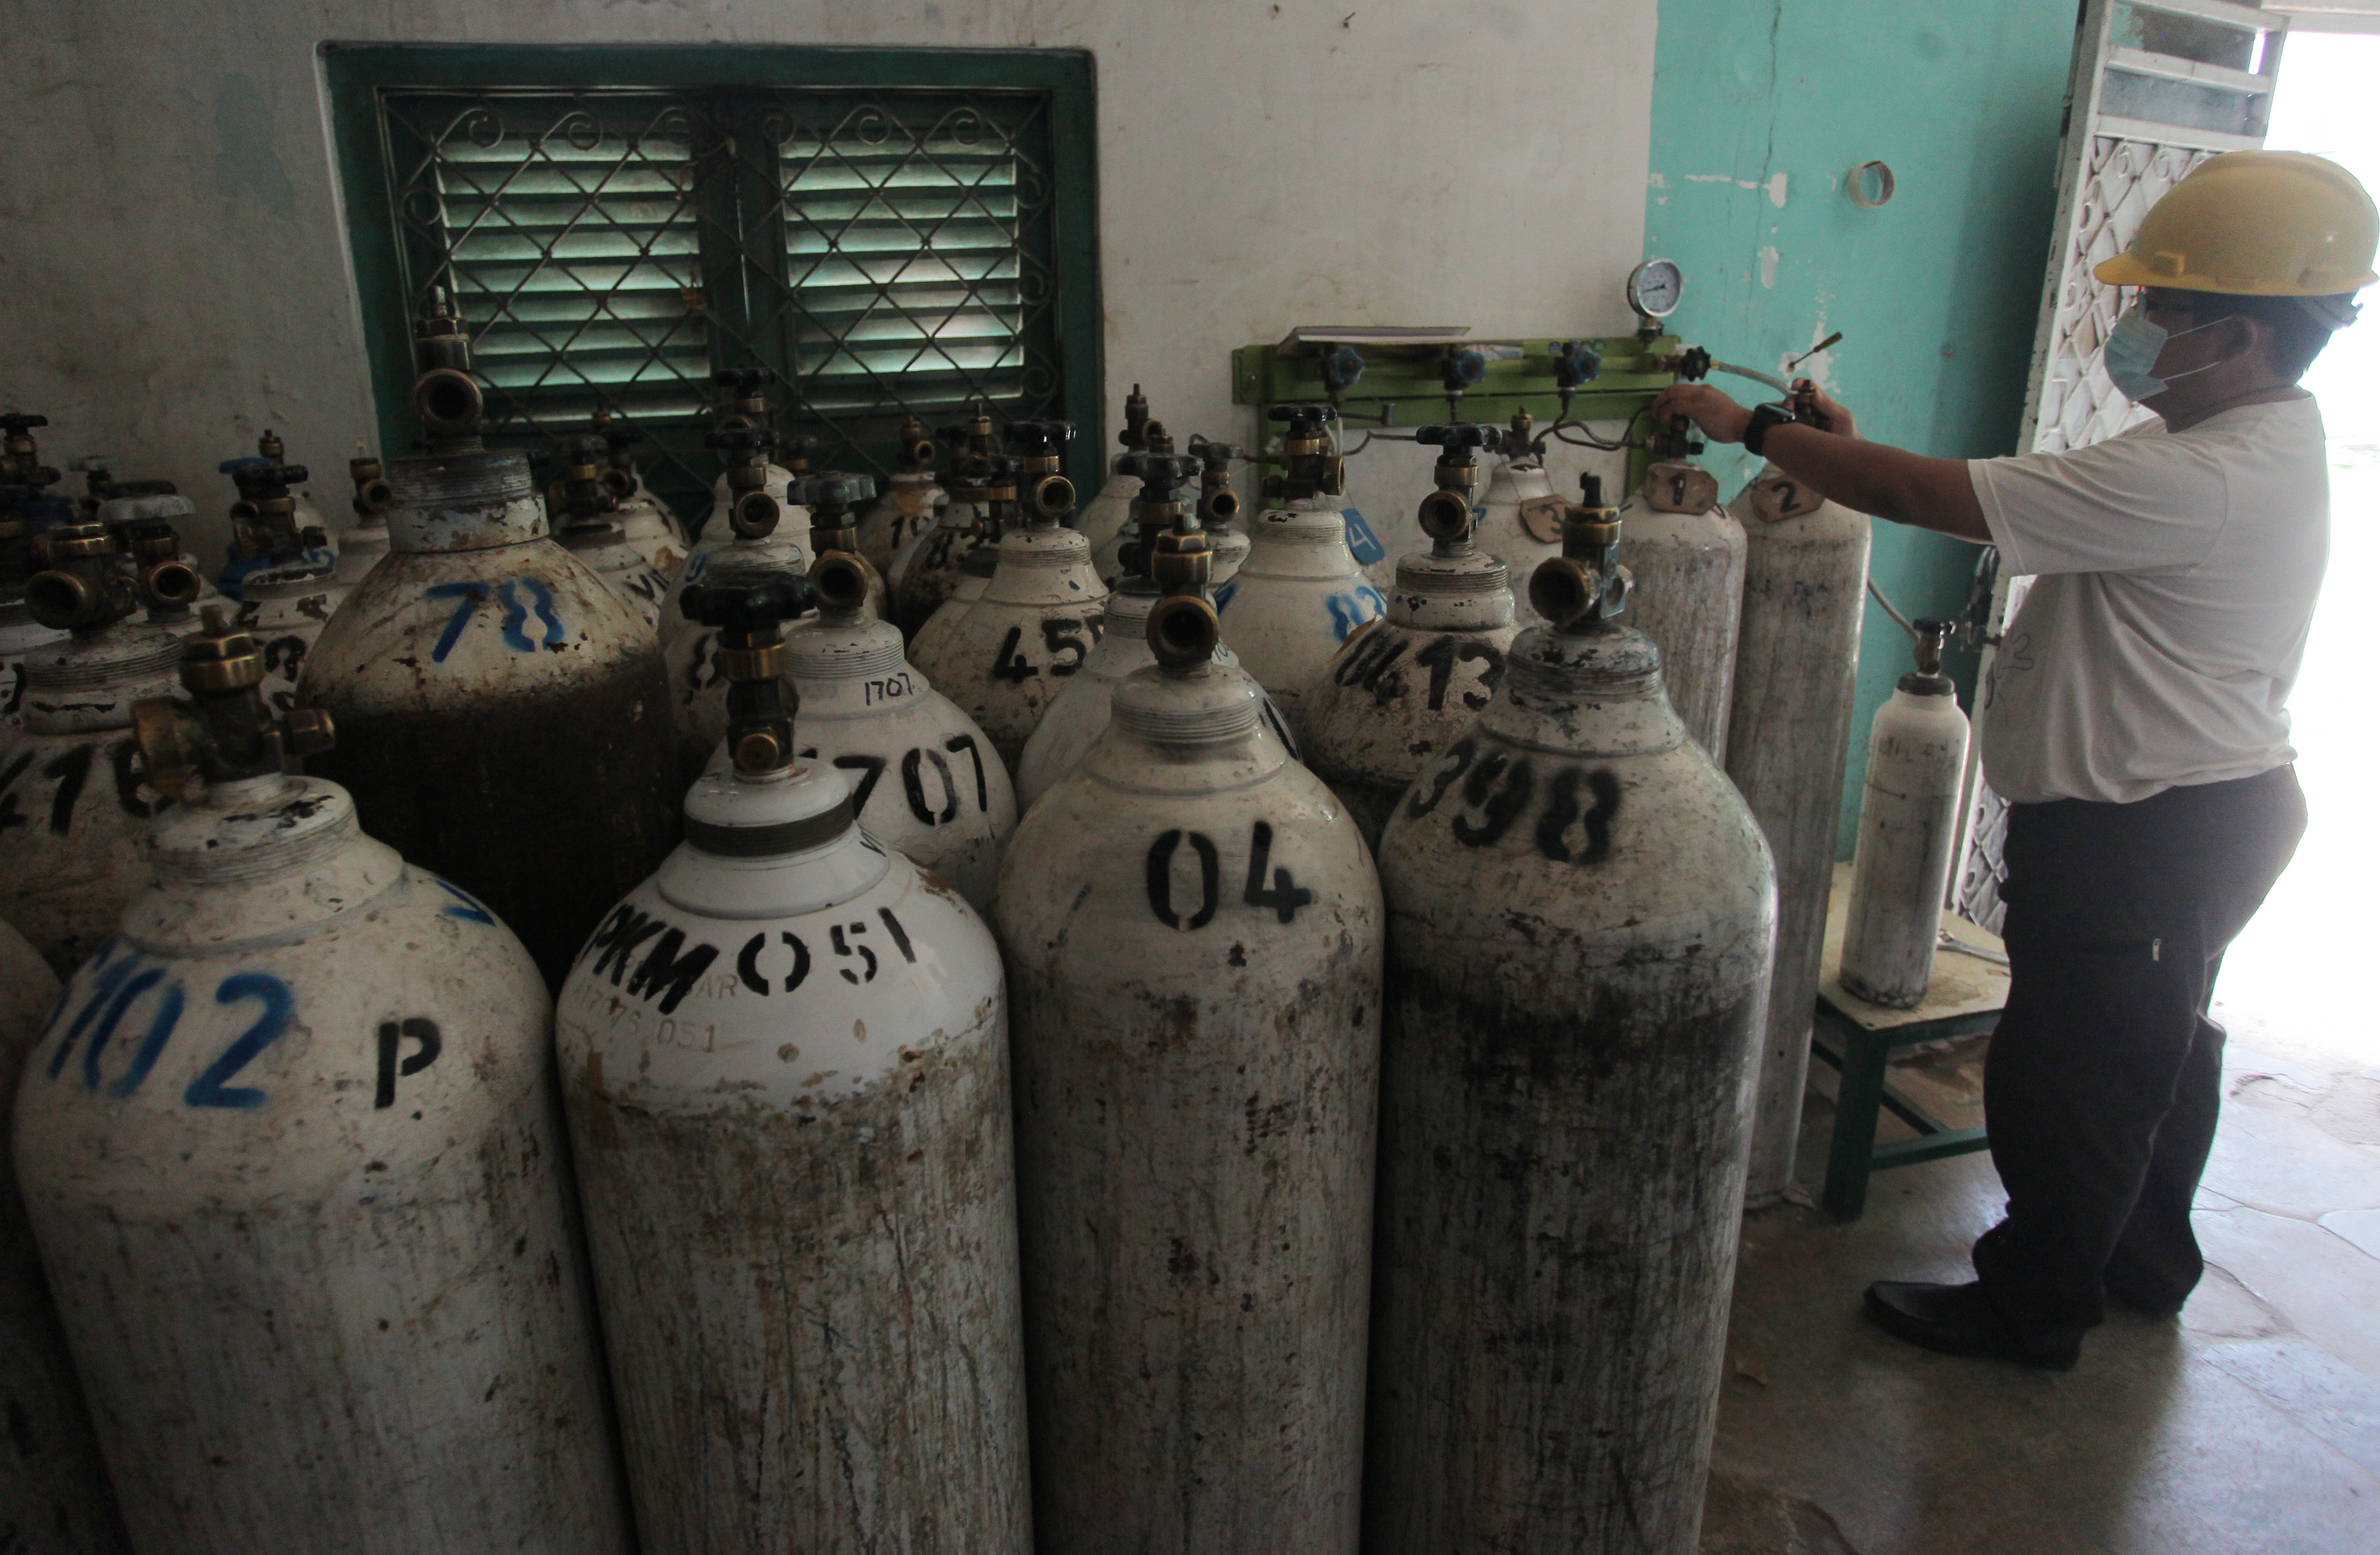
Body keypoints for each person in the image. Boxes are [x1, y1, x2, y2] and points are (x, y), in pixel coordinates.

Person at [1650, 150, 2377, 1371]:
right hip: (2201, 814)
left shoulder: (2198, 475)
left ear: (2241, 338)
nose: (2133, 327)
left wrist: (1753, 428)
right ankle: (2143, 1262)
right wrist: (1832, 447)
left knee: (2069, 1074)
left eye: (2165, 309)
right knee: (2155, 1041)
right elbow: (1935, 486)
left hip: (2146, 829)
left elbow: (1927, 498)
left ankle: (2030, 1307)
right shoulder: (2253, 442)